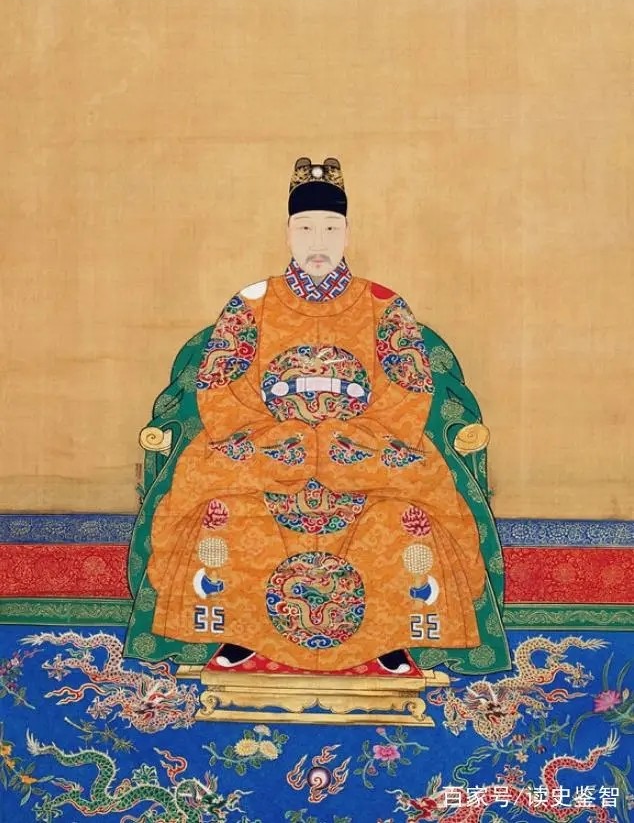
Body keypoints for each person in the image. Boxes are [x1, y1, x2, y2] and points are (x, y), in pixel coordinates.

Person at [124, 157, 510, 676]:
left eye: (330, 228)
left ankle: (391, 636)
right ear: (288, 232)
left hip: (366, 448)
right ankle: (241, 634)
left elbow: (409, 390)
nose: (318, 241)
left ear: (348, 232)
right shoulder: (251, 304)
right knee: (228, 509)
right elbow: (219, 387)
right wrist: (282, 439)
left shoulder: (383, 305)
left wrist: (346, 441)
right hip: (265, 446)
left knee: (400, 514)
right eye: (305, 228)